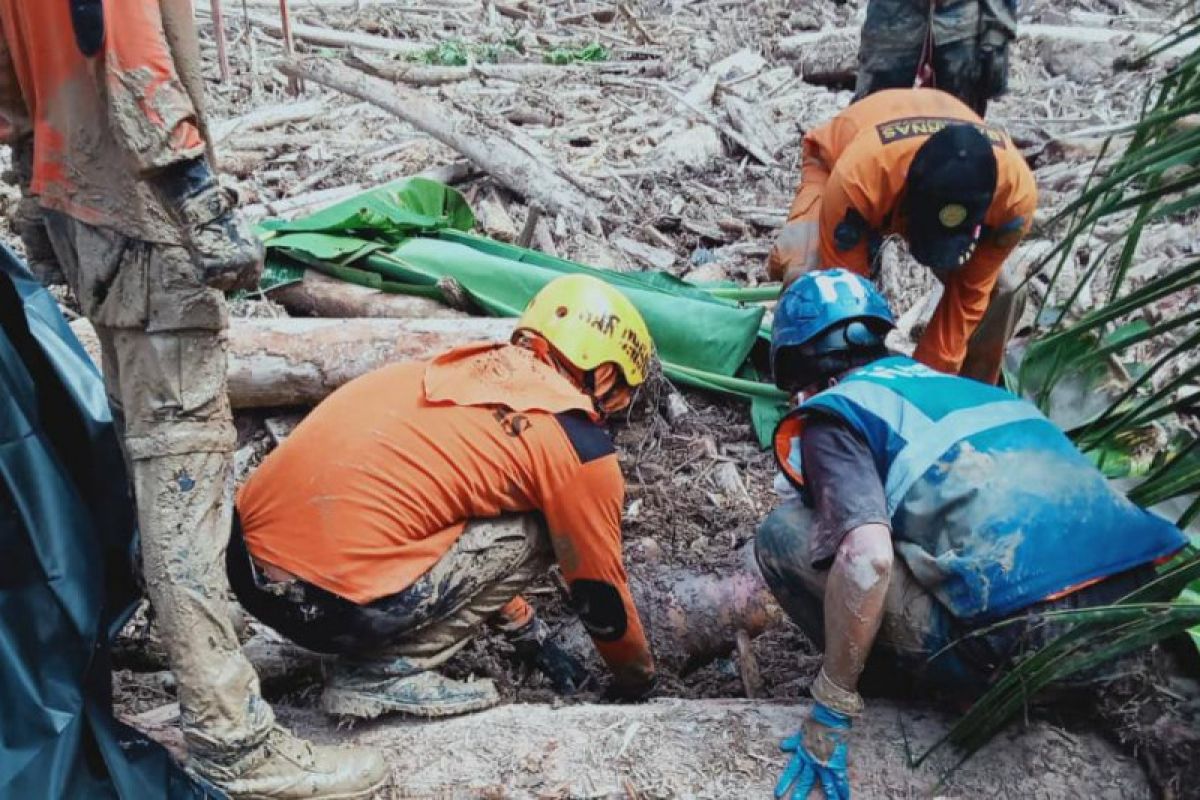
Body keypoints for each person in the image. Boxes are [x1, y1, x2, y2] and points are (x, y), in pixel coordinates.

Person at [0, 2, 386, 797]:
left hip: (77, 201)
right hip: (143, 211)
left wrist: (31, 178)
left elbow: (10, 77)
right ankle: (231, 734)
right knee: (185, 472)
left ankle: (179, 646)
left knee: (149, 453)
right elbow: (135, 49)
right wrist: (197, 190)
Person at [756, 269, 1188, 799]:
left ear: (797, 368)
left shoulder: (837, 412)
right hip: (1134, 618)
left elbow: (867, 557)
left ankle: (892, 695)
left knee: (783, 535)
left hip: (1027, 650)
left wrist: (830, 708)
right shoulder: (965, 390)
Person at [230, 275, 658, 719]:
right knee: (546, 528)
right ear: (605, 372)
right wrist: (638, 680)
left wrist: (524, 628)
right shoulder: (577, 445)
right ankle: (383, 674)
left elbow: (441, 509)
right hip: (327, 608)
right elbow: (598, 591)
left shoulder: (446, 368)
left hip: (246, 569)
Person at [766, 87, 1037, 385]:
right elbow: (844, 296)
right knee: (811, 278)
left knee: (1005, 292)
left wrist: (924, 387)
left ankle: (968, 397)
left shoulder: (1013, 200)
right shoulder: (860, 177)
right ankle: (804, 389)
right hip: (835, 167)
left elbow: (967, 300)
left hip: (911, 192)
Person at [854, 0, 1018, 116]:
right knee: (875, 113)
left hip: (962, 21)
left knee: (962, 120)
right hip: (891, 21)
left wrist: (998, 29)